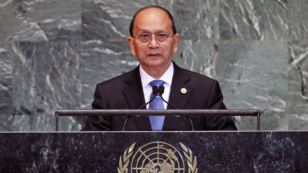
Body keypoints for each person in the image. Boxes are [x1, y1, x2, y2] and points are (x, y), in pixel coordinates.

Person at [83, 5, 237, 131]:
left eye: (161, 36)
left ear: (175, 43)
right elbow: (89, 150)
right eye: (144, 36)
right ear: (132, 45)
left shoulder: (204, 90)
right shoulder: (109, 94)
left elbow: (228, 146)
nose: (153, 44)